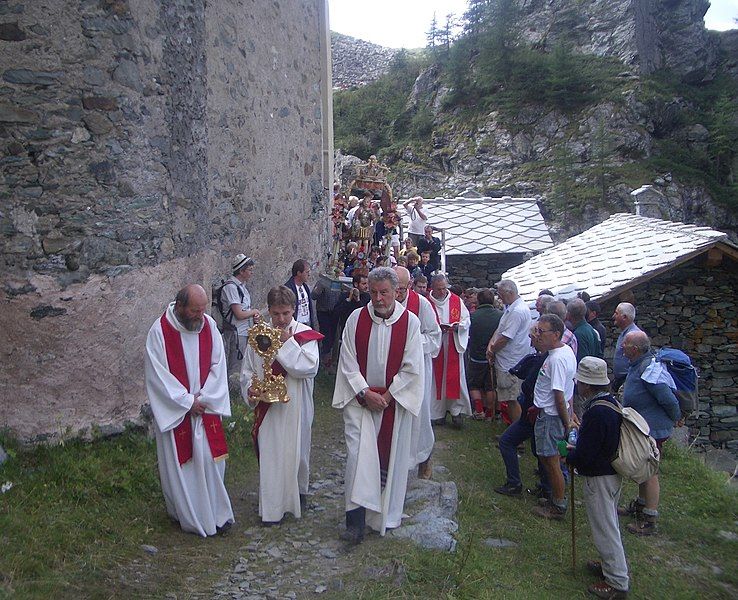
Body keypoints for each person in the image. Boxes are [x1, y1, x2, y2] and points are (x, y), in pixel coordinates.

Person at [333, 267, 424, 543]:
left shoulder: (409, 323)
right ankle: (355, 521)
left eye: (384, 292)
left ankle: (382, 514)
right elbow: (347, 359)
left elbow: (412, 367)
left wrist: (387, 396)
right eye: (373, 293)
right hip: (360, 402)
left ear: (396, 292)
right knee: (358, 460)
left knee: (390, 460)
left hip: (392, 404)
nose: (378, 298)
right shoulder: (356, 318)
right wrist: (364, 392)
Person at [144, 284, 235, 536]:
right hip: (179, 413)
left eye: (204, 309)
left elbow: (219, 363)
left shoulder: (208, 326)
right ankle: (188, 515)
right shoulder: (160, 332)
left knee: (211, 461)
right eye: (195, 310)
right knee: (183, 466)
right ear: (181, 306)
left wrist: (205, 398)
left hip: (205, 407)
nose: (200, 316)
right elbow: (158, 376)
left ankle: (217, 513)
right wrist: (186, 402)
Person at [241, 286, 323, 525]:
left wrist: (287, 344)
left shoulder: (304, 335)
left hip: (296, 405)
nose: (281, 319)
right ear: (269, 311)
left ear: (294, 310)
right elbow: (247, 370)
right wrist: (250, 389)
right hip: (269, 408)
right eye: (276, 314)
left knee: (297, 452)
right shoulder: (259, 335)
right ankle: (271, 509)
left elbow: (308, 368)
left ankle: (298, 494)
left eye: (286, 313)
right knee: (271, 456)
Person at [566, 357, 629, 599]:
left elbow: (588, 452)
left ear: (588, 385)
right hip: (610, 472)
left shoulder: (597, 412)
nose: (578, 386)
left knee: (605, 527)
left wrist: (572, 457)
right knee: (608, 521)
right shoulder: (609, 403)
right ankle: (609, 566)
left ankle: (617, 581)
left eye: (581, 382)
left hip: (600, 475)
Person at [619, 330, 680, 536]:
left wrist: (676, 417)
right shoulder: (639, 365)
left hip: (653, 428)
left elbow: (667, 398)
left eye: (625, 345)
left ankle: (650, 518)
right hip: (644, 427)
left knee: (650, 470)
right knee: (643, 467)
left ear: (634, 349)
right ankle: (641, 505)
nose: (621, 347)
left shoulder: (648, 368)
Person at [494, 324, 550, 498]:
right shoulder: (543, 358)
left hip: (535, 412)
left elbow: (534, 385)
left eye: (533, 339)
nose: (531, 343)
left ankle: (515, 484)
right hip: (534, 411)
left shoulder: (544, 360)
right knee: (539, 450)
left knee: (508, 441)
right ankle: (545, 487)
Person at [530, 314, 577, 520]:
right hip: (552, 413)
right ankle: (554, 497)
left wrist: (567, 422)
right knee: (549, 458)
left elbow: (559, 394)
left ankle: (558, 504)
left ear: (556, 334)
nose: (537, 335)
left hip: (550, 415)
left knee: (551, 460)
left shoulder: (557, 359)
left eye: (542, 331)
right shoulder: (563, 351)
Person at [428, 274, 472, 428]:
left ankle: (455, 411)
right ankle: (436, 413)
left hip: (453, 342)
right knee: (435, 381)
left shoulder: (456, 301)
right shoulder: (426, 302)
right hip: (435, 346)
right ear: (432, 288)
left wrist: (458, 327)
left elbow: (466, 320)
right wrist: (436, 329)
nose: (442, 292)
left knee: (454, 379)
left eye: (444, 288)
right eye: (438, 289)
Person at [486, 280, 533, 424]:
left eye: (501, 295)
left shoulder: (517, 311)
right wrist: (490, 345)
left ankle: (516, 435)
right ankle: (513, 429)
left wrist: (492, 350)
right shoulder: (510, 309)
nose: (499, 298)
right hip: (507, 360)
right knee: (509, 398)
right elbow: (500, 330)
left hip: (511, 362)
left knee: (513, 399)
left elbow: (506, 337)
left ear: (510, 293)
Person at [220, 254, 261, 375]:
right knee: (236, 363)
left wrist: (254, 316)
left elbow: (244, 310)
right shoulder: (231, 288)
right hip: (237, 331)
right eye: (249, 270)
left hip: (244, 330)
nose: (251, 273)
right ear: (241, 271)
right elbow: (239, 314)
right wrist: (254, 312)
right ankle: (234, 388)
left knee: (245, 361)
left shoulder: (241, 287)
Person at [467, 288, 502, 420]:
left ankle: (479, 410)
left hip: (476, 356)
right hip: (493, 356)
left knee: (474, 384)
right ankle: (489, 412)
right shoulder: (500, 315)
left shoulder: (473, 316)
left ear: (479, 300)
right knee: (490, 386)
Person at [611, 302, 641, 393]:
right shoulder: (624, 333)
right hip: (621, 380)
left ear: (624, 317)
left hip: (627, 381)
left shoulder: (634, 336)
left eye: (616, 313)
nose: (613, 316)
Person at [285, 259, 316, 329]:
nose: (309, 274)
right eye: (307, 272)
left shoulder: (305, 287)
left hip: (307, 324)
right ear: (299, 273)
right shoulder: (288, 289)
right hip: (296, 325)